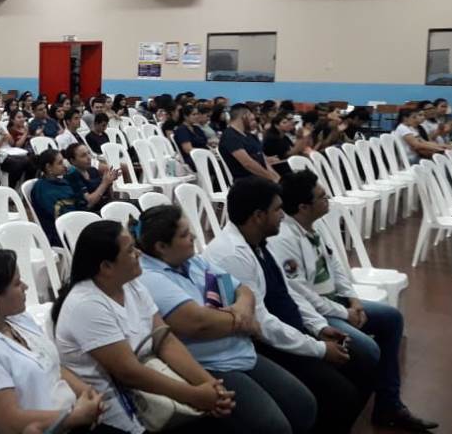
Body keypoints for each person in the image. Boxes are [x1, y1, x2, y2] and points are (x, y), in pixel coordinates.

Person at [267, 170, 436, 431]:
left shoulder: (312, 226)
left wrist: (354, 300)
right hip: (316, 313)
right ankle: (350, 407)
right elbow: (302, 295)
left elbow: (334, 265)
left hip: (335, 303)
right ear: (303, 207)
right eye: (323, 197)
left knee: (391, 318)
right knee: (368, 350)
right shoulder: (283, 239)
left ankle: (388, 404)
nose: (329, 199)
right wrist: (345, 313)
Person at [203, 177, 372, 434]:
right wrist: (318, 348)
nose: (284, 215)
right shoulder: (232, 255)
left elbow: (287, 293)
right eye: (278, 209)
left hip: (289, 331)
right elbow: (263, 325)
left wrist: (318, 327)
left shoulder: (259, 243)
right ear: (259, 216)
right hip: (267, 344)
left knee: (359, 364)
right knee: (341, 394)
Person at [136, 205, 318, 434]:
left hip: (239, 351)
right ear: (161, 247)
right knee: (273, 427)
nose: (193, 236)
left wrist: (240, 309)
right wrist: (246, 322)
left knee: (304, 406)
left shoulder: (192, 261)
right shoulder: (150, 278)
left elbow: (243, 290)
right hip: (208, 365)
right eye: (184, 235)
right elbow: (198, 323)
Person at [52, 220, 235, 434]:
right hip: (117, 412)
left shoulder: (131, 284)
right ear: (106, 267)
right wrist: (195, 395)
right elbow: (129, 372)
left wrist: (211, 386)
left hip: (153, 389)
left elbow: (165, 340)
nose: (138, 253)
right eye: (130, 251)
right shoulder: (86, 305)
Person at [0, 249, 106, 434]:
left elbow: (50, 365)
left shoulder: (17, 320)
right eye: (17, 283)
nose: (25, 287)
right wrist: (73, 417)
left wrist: (87, 394)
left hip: (72, 419)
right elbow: (10, 422)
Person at [31, 149, 89, 247]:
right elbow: (60, 216)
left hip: (74, 221)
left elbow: (80, 202)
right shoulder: (42, 190)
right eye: (60, 163)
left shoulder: (62, 182)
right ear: (49, 167)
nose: (65, 166)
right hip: (59, 233)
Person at [0, 106, 35, 188]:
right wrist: (2, 139)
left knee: (31, 162)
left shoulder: (1, 126)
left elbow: (11, 143)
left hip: (9, 152)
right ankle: (11, 186)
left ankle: (25, 186)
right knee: (18, 165)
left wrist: (7, 135)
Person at [219, 103, 280, 182]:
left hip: (261, 179)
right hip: (246, 182)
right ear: (245, 116)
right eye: (252, 117)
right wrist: (272, 178)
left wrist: (278, 178)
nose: (254, 120)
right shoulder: (230, 136)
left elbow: (263, 162)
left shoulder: (251, 136)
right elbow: (248, 164)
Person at [63, 143, 118, 214]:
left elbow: (108, 195)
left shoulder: (92, 170)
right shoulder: (72, 176)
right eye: (83, 156)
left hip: (105, 206)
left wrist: (110, 181)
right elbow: (89, 203)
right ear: (72, 161)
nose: (89, 158)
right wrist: (105, 183)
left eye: (88, 153)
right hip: (90, 213)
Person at [262, 111, 312, 175]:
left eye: (289, 122)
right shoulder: (272, 138)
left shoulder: (284, 136)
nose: (289, 124)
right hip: (279, 167)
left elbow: (294, 149)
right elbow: (289, 154)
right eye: (284, 123)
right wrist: (301, 138)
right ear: (276, 125)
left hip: (287, 163)